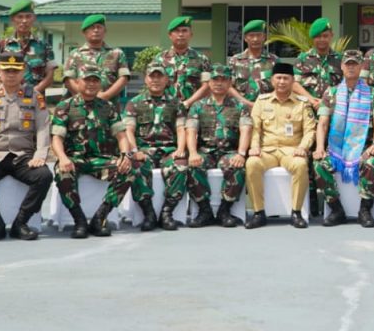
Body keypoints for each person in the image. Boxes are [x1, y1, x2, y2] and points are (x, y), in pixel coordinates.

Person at [0, 53, 52, 242]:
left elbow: (43, 129)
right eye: (7, 71)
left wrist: (40, 155)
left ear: (23, 72)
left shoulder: (34, 98)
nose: (11, 75)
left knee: (44, 176)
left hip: (23, 156)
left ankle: (20, 223)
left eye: (16, 71)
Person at [51, 65, 135, 238]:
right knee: (61, 172)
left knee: (128, 170)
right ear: (78, 82)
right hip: (74, 159)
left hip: (101, 159)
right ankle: (79, 220)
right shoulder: (65, 106)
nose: (91, 84)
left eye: (95, 80)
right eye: (87, 80)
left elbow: (121, 135)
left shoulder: (108, 107)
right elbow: (57, 138)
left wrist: (125, 156)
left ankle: (100, 217)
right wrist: (62, 158)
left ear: (100, 84)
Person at [313, 50, 374, 228]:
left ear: (361, 67)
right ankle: (336, 209)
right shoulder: (331, 93)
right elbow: (322, 123)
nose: (351, 67)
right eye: (348, 64)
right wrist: (320, 147)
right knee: (319, 164)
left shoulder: (373, 93)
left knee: (373, 162)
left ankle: (365, 210)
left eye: (355, 64)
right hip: (336, 149)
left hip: (363, 147)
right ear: (342, 67)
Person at [245, 62, 316, 229]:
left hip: (291, 151)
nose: (282, 82)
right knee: (252, 163)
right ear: (272, 80)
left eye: (286, 78)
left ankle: (296, 212)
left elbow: (310, 130)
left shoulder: (302, 103)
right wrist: (254, 146)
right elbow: (254, 129)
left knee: (300, 165)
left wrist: (303, 147)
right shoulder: (262, 101)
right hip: (267, 151)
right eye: (278, 78)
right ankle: (258, 213)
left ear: (293, 81)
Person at [184, 64, 253, 228]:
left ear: (230, 83)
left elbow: (246, 130)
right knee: (193, 167)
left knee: (238, 168)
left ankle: (224, 210)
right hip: (205, 151)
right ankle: (204, 211)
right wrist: (193, 153)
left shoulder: (240, 107)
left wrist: (241, 154)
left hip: (229, 151)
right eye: (215, 79)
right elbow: (191, 130)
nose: (219, 83)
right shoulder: (198, 106)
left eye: (224, 80)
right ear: (209, 82)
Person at [123, 60, 188, 231]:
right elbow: (128, 130)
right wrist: (135, 151)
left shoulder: (176, 103)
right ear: (146, 79)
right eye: (152, 77)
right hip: (144, 151)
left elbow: (181, 129)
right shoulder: (134, 103)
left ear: (167, 80)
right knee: (136, 167)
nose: (156, 80)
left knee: (181, 167)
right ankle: (149, 213)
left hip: (169, 150)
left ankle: (167, 212)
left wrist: (180, 149)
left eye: (160, 77)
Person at [0, 0, 57, 93]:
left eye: (28, 16)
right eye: (20, 17)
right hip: (7, 101)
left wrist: (32, 93)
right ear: (12, 19)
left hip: (35, 101)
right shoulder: (1, 45)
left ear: (34, 18)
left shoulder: (44, 46)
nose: (24, 21)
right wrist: (8, 92)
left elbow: (50, 77)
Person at [62, 14, 131, 101]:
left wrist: (106, 95)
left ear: (105, 31)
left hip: (109, 106)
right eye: (92, 27)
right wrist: (87, 96)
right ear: (84, 32)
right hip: (81, 106)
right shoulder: (75, 54)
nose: (96, 30)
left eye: (99, 27)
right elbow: (68, 80)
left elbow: (124, 78)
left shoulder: (117, 53)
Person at [159, 16, 212, 108]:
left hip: (194, 110)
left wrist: (188, 103)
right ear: (170, 35)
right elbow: (154, 84)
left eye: (184, 31)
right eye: (177, 31)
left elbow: (207, 85)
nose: (181, 34)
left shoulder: (202, 59)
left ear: (191, 34)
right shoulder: (159, 59)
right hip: (165, 109)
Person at [292, 17, 343, 109]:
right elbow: (294, 84)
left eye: (325, 36)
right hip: (308, 110)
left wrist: (325, 102)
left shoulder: (340, 60)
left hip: (333, 110)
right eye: (318, 36)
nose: (322, 39)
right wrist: (312, 100)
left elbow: (346, 85)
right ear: (312, 38)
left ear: (331, 35)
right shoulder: (302, 59)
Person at [229, 19, 278, 106]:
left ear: (264, 37)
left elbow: (280, 86)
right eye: (251, 36)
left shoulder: (274, 60)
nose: (255, 39)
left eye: (259, 35)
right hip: (242, 109)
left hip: (267, 108)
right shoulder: (235, 60)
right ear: (245, 38)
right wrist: (247, 103)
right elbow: (229, 87)